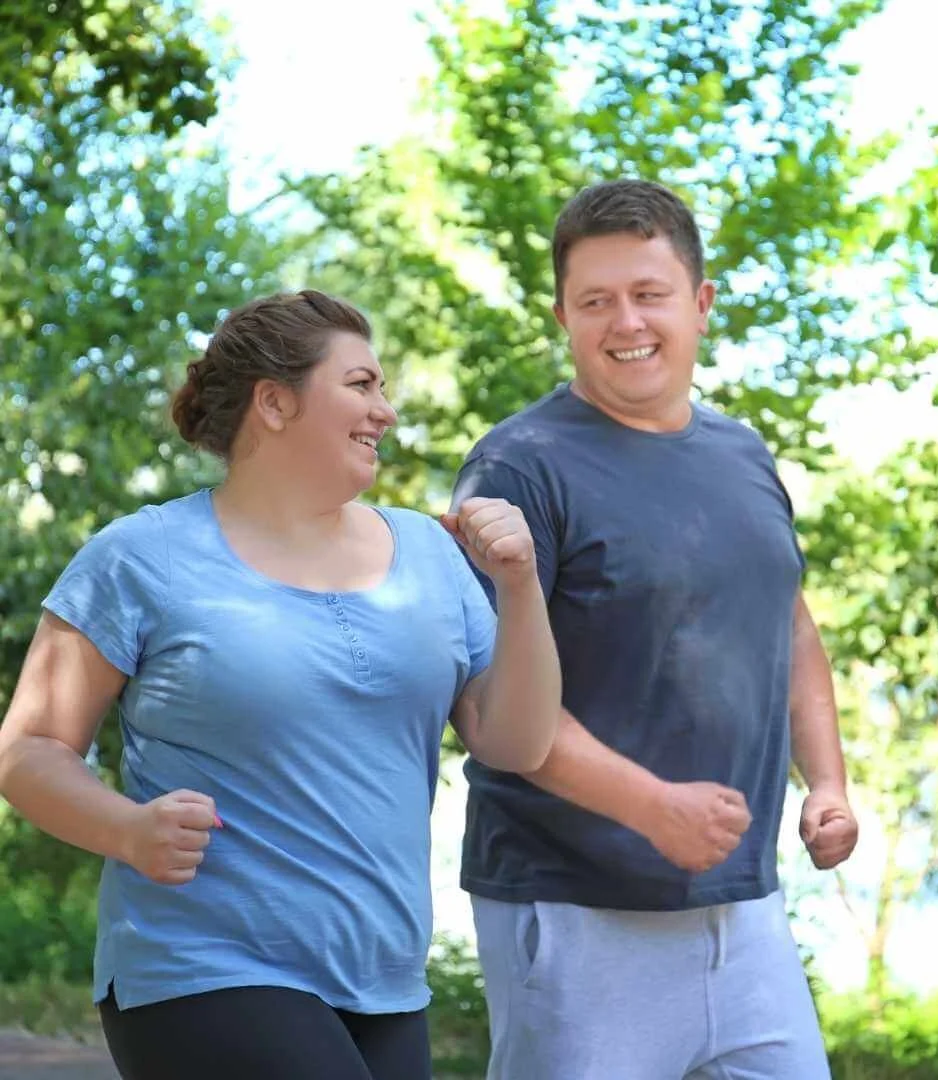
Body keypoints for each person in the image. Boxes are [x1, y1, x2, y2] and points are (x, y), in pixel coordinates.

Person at [0, 290, 561, 1080]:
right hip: (200, 966)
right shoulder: (143, 557)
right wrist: (126, 830)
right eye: (362, 386)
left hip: (384, 978)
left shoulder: (430, 557)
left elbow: (518, 741)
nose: (387, 412)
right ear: (274, 401)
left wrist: (522, 584)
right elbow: (29, 750)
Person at [451, 179, 859, 1080]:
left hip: (745, 912)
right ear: (563, 315)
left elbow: (788, 628)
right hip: (574, 913)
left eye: (649, 294)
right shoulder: (517, 468)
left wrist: (825, 783)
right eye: (595, 300)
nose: (624, 321)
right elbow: (490, 705)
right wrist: (650, 806)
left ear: (701, 304)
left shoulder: (743, 456)